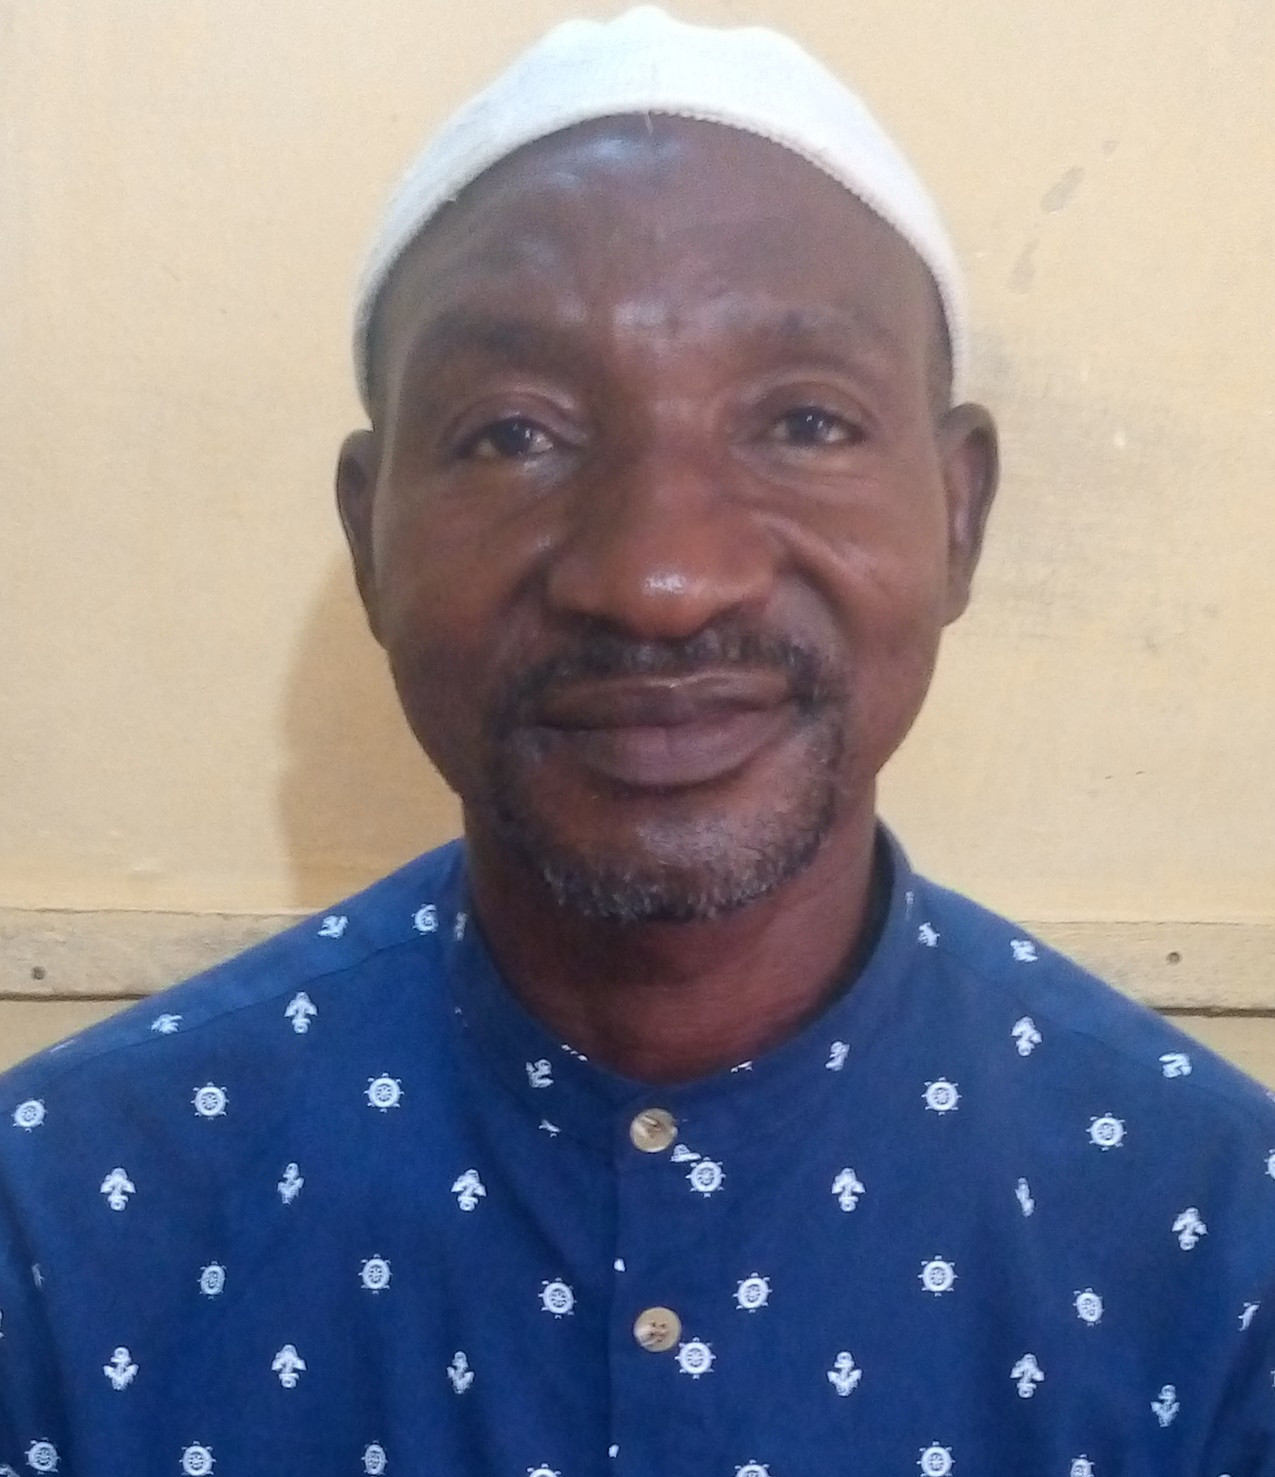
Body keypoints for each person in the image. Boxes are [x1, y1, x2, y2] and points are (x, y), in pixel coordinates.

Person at [1, 9, 1272, 1474]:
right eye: (513, 434)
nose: (661, 578)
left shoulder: (1218, 1242)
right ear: (369, 535)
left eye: (803, 422)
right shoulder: (63, 1221)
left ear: (960, 513)